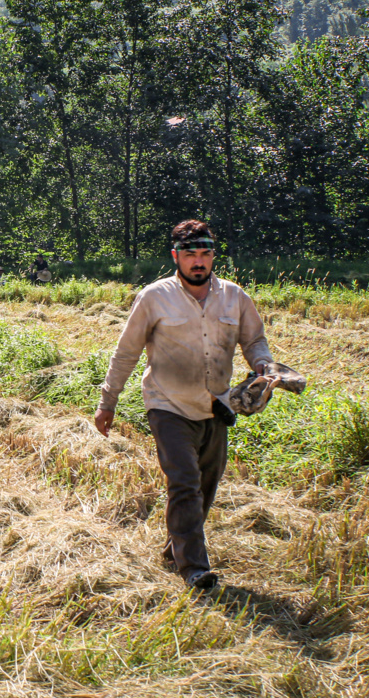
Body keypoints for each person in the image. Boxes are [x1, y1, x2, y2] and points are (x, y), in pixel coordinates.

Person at [94, 219, 272, 590]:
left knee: (207, 484)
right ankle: (193, 567)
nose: (198, 262)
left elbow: (254, 340)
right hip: (167, 405)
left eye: (205, 254)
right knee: (185, 482)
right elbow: (126, 352)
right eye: (190, 254)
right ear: (176, 256)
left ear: (212, 257)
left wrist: (262, 366)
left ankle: (175, 547)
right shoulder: (154, 297)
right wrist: (107, 400)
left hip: (217, 406)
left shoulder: (234, 297)